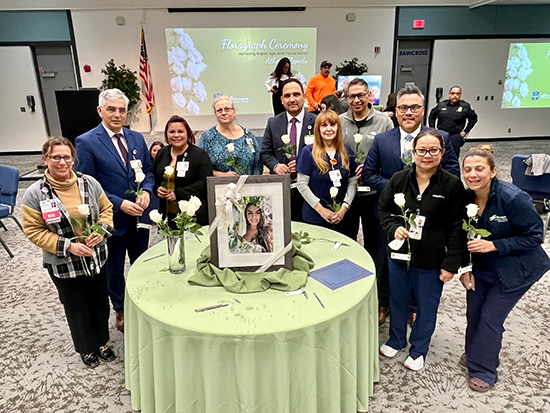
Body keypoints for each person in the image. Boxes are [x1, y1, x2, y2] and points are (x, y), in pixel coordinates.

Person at [363, 84, 460, 326]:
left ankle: (413, 308)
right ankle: (384, 303)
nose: (408, 112)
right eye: (403, 107)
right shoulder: (383, 140)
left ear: (423, 110)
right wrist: (400, 188)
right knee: (385, 262)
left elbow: (453, 175)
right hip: (390, 216)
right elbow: (368, 174)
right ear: (395, 111)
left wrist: (423, 191)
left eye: (414, 107)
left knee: (421, 264)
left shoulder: (441, 139)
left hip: (429, 218)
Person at [459, 145, 550, 392]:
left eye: (479, 169)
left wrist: (494, 245)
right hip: (482, 266)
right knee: (474, 312)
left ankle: (484, 370)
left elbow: (535, 237)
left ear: (493, 172)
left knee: (490, 318)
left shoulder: (513, 197)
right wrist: (464, 269)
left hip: (516, 268)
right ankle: (474, 353)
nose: (473, 174)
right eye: (467, 170)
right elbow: (462, 238)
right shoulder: (467, 198)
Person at [21, 137, 116, 368]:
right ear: (45, 159)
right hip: (64, 264)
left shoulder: (89, 183)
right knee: (77, 307)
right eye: (56, 157)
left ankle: (102, 342)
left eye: (66, 157)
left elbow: (106, 209)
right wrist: (68, 246)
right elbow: (33, 231)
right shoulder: (36, 193)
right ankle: (87, 348)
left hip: (95, 257)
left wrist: (101, 231)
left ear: (73, 159)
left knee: (100, 303)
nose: (62, 162)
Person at [378, 130, 468, 372]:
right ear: (413, 152)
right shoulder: (398, 179)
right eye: (421, 150)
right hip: (398, 256)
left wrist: (452, 264)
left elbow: (458, 228)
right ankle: (396, 339)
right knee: (397, 300)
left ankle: (419, 349)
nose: (427, 155)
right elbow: (384, 210)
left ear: (441, 152)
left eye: (433, 150)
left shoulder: (451, 184)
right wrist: (394, 227)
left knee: (426, 307)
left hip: (431, 260)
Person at [75, 88, 154, 333]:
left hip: (139, 218)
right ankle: (121, 310)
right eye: (111, 109)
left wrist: (146, 191)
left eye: (122, 109)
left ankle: (143, 305)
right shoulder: (86, 141)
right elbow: (87, 184)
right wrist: (119, 203)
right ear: (100, 110)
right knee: (115, 269)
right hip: (111, 219)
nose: (117, 114)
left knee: (141, 264)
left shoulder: (136, 138)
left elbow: (148, 172)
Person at [260, 79, 317, 221]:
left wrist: (303, 164)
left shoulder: (316, 122)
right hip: (282, 188)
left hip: (311, 187)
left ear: (304, 97)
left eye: (296, 94)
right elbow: (265, 153)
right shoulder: (273, 123)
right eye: (287, 96)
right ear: (281, 100)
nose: (292, 99)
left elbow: (324, 153)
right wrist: (276, 166)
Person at [296, 110, 358, 239]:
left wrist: (344, 208)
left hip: (342, 217)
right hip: (315, 217)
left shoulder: (347, 151)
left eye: (332, 125)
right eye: (324, 125)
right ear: (318, 129)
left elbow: (353, 181)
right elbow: (301, 184)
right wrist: (321, 210)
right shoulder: (307, 152)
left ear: (338, 128)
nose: (329, 129)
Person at [153, 115, 213, 227]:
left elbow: (205, 183)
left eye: (180, 131)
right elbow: (155, 178)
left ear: (188, 133)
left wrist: (178, 194)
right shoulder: (162, 153)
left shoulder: (199, 154)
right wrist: (158, 189)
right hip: (167, 215)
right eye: (172, 131)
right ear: (166, 134)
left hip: (194, 217)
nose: (176, 135)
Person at [198, 95, 262, 176]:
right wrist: (220, 175)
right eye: (219, 110)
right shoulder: (207, 136)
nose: (224, 113)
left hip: (248, 185)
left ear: (234, 111)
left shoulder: (247, 134)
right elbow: (199, 166)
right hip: (219, 186)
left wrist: (254, 183)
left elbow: (258, 163)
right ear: (215, 113)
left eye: (227, 109)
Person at [429, 86, 478, 157]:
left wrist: (465, 131)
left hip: (456, 136)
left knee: (453, 156)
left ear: (460, 95)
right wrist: (433, 131)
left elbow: (473, 119)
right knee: (438, 154)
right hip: (441, 134)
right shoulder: (441, 105)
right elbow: (431, 117)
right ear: (449, 94)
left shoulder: (465, 106)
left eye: (457, 93)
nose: (455, 95)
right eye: (453, 93)